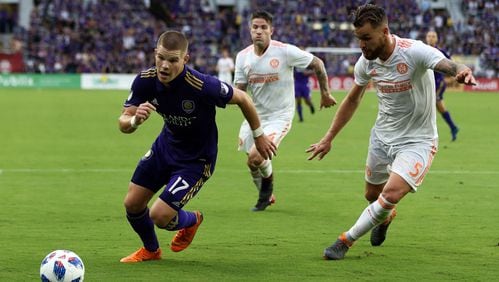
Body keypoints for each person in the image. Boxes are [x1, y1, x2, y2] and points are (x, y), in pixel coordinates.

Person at [306, 4, 476, 260]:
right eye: (359, 39)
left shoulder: (414, 51)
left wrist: (460, 71)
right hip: (382, 137)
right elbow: (352, 100)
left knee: (390, 194)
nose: (362, 45)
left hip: (417, 140)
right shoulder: (366, 63)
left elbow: (445, 63)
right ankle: (386, 216)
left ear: (384, 31)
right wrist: (329, 137)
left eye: (366, 38)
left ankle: (345, 241)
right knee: (371, 196)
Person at [118, 30, 276, 263]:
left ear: (185, 60)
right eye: (161, 58)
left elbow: (243, 98)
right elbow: (123, 122)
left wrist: (259, 135)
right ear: (155, 54)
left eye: (173, 60)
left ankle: (192, 220)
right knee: (132, 203)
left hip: (196, 160)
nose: (164, 66)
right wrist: (134, 121)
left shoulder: (201, 85)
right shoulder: (145, 80)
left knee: (159, 216)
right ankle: (151, 251)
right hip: (165, 148)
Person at [234, 10, 337, 211]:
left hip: (279, 117)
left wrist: (325, 93)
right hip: (255, 117)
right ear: (250, 30)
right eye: (255, 27)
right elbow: (239, 91)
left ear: (272, 30)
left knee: (257, 156)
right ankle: (268, 195)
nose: (259, 31)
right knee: (252, 162)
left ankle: (264, 195)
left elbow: (317, 63)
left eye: (263, 27)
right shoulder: (242, 57)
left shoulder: (285, 51)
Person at [425, 30, 460, 141]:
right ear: (426, 38)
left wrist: (453, 77)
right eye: (429, 36)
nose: (431, 38)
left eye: (433, 36)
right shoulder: (421, 51)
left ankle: (427, 134)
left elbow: (452, 65)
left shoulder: (440, 52)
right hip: (426, 83)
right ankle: (453, 127)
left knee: (428, 105)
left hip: (438, 83)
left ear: (436, 39)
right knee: (440, 108)